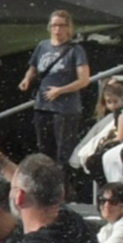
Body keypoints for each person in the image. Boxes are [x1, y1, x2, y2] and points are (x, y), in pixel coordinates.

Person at [22, 10, 94, 160]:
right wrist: (27, 79)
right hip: (42, 106)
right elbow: (33, 67)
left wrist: (61, 90)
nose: (57, 29)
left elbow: (84, 80)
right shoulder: (42, 46)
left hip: (65, 109)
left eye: (61, 26)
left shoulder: (75, 50)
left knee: (63, 152)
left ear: (68, 28)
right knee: (44, 151)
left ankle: (63, 174)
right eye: (54, 25)